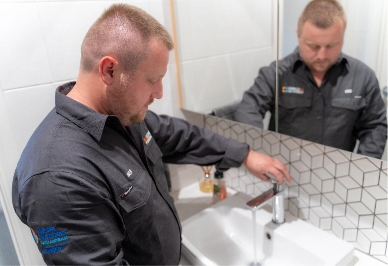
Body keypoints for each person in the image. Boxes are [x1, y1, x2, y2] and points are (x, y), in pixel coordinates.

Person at [12, 4, 291, 265]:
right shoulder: (56, 178)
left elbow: (178, 135)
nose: (159, 93)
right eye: (152, 80)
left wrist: (245, 155)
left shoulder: (121, 115)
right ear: (110, 70)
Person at [234, 0, 387, 159]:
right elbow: (248, 110)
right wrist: (254, 153)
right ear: (298, 36)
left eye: (331, 46)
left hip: (338, 174)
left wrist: (361, 168)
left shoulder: (363, 77)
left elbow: (375, 127)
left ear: (342, 38)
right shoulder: (277, 73)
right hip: (283, 171)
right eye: (313, 46)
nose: (321, 55)